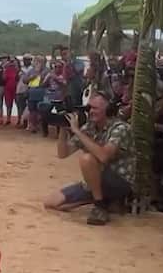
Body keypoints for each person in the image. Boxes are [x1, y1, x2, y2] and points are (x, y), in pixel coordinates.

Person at [44, 92, 135, 225]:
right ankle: (103, 200)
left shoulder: (121, 128)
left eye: (95, 108)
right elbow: (63, 154)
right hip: (95, 180)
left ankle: (99, 207)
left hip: (120, 180)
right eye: (89, 108)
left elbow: (103, 156)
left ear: (108, 110)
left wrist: (77, 131)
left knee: (87, 159)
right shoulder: (89, 128)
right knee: (52, 202)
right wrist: (63, 128)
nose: (91, 112)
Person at [0, 56, 19, 125]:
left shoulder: (17, 69)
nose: (12, 63)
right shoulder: (7, 69)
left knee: (18, 104)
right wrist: (4, 69)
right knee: (8, 104)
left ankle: (19, 119)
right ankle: (8, 118)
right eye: (11, 61)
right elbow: (3, 78)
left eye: (13, 61)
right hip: (8, 88)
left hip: (16, 88)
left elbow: (19, 78)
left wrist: (16, 67)